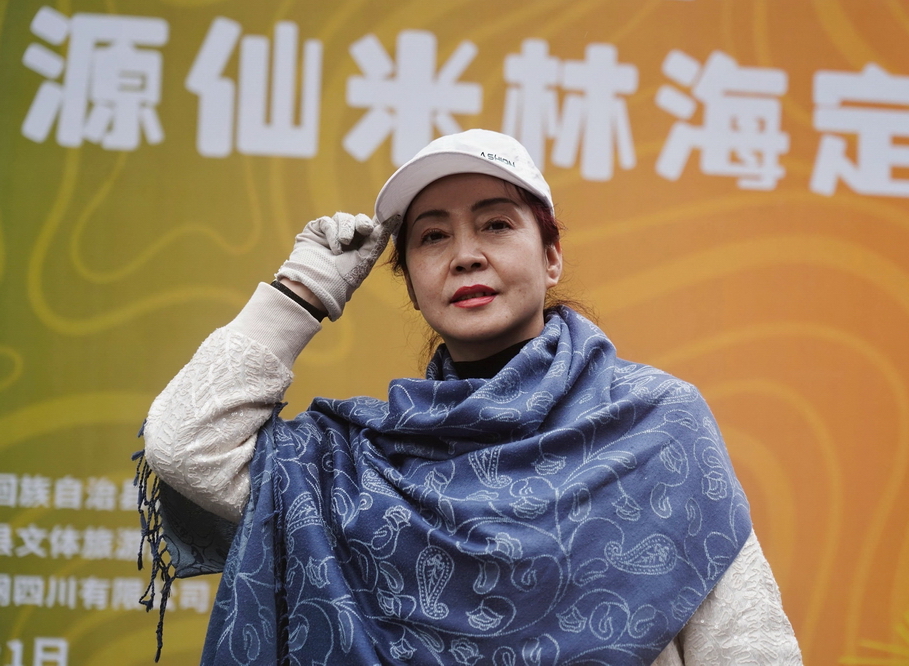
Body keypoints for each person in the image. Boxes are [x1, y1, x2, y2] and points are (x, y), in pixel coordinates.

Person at [138, 129, 802, 665]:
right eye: (433, 236)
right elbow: (187, 444)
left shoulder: (653, 424)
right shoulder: (362, 470)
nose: (465, 255)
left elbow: (746, 645)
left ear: (551, 257)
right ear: (410, 281)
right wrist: (304, 290)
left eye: (496, 225)